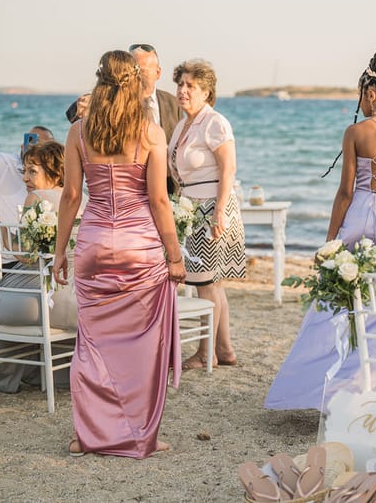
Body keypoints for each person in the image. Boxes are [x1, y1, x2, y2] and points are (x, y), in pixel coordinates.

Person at [265, 49, 376, 411]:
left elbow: (345, 192)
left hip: (359, 223)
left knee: (343, 304)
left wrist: (329, 242)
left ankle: (336, 389)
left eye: (363, 94)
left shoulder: (356, 132)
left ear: (371, 92)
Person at [53, 50, 184, 458]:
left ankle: (86, 437)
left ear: (99, 84)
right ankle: (140, 435)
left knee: (92, 345)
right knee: (144, 348)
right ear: (136, 85)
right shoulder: (151, 132)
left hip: (93, 244)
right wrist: (174, 255)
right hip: (139, 248)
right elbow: (159, 200)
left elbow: (72, 195)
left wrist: (60, 253)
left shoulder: (78, 132)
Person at [0, 141, 79, 393]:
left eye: (33, 171)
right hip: (74, 298)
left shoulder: (36, 198)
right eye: (24, 171)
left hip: (44, 302)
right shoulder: (78, 198)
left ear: (55, 171)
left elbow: (25, 256)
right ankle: (40, 370)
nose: (26, 178)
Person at [168, 59, 245, 370]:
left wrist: (220, 213)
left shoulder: (215, 122)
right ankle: (224, 350)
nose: (183, 90)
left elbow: (229, 168)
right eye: (181, 84)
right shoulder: (182, 124)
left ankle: (205, 352)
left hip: (213, 207)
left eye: (191, 86)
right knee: (211, 283)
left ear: (206, 92)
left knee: (206, 283)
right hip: (190, 207)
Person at [66, 44, 181, 142]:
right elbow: (73, 115)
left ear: (158, 73)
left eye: (142, 71)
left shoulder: (173, 103)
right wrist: (86, 106)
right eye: (131, 71)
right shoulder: (107, 99)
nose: (136, 76)